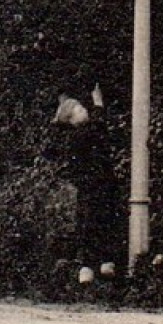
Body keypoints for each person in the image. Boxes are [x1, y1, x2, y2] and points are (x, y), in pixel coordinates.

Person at [49, 86, 122, 273]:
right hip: (98, 185)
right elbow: (98, 127)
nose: (85, 110)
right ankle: (98, 264)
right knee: (102, 221)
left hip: (89, 187)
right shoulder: (80, 135)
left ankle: (90, 267)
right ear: (71, 120)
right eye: (80, 110)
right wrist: (98, 104)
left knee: (90, 223)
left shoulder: (74, 137)